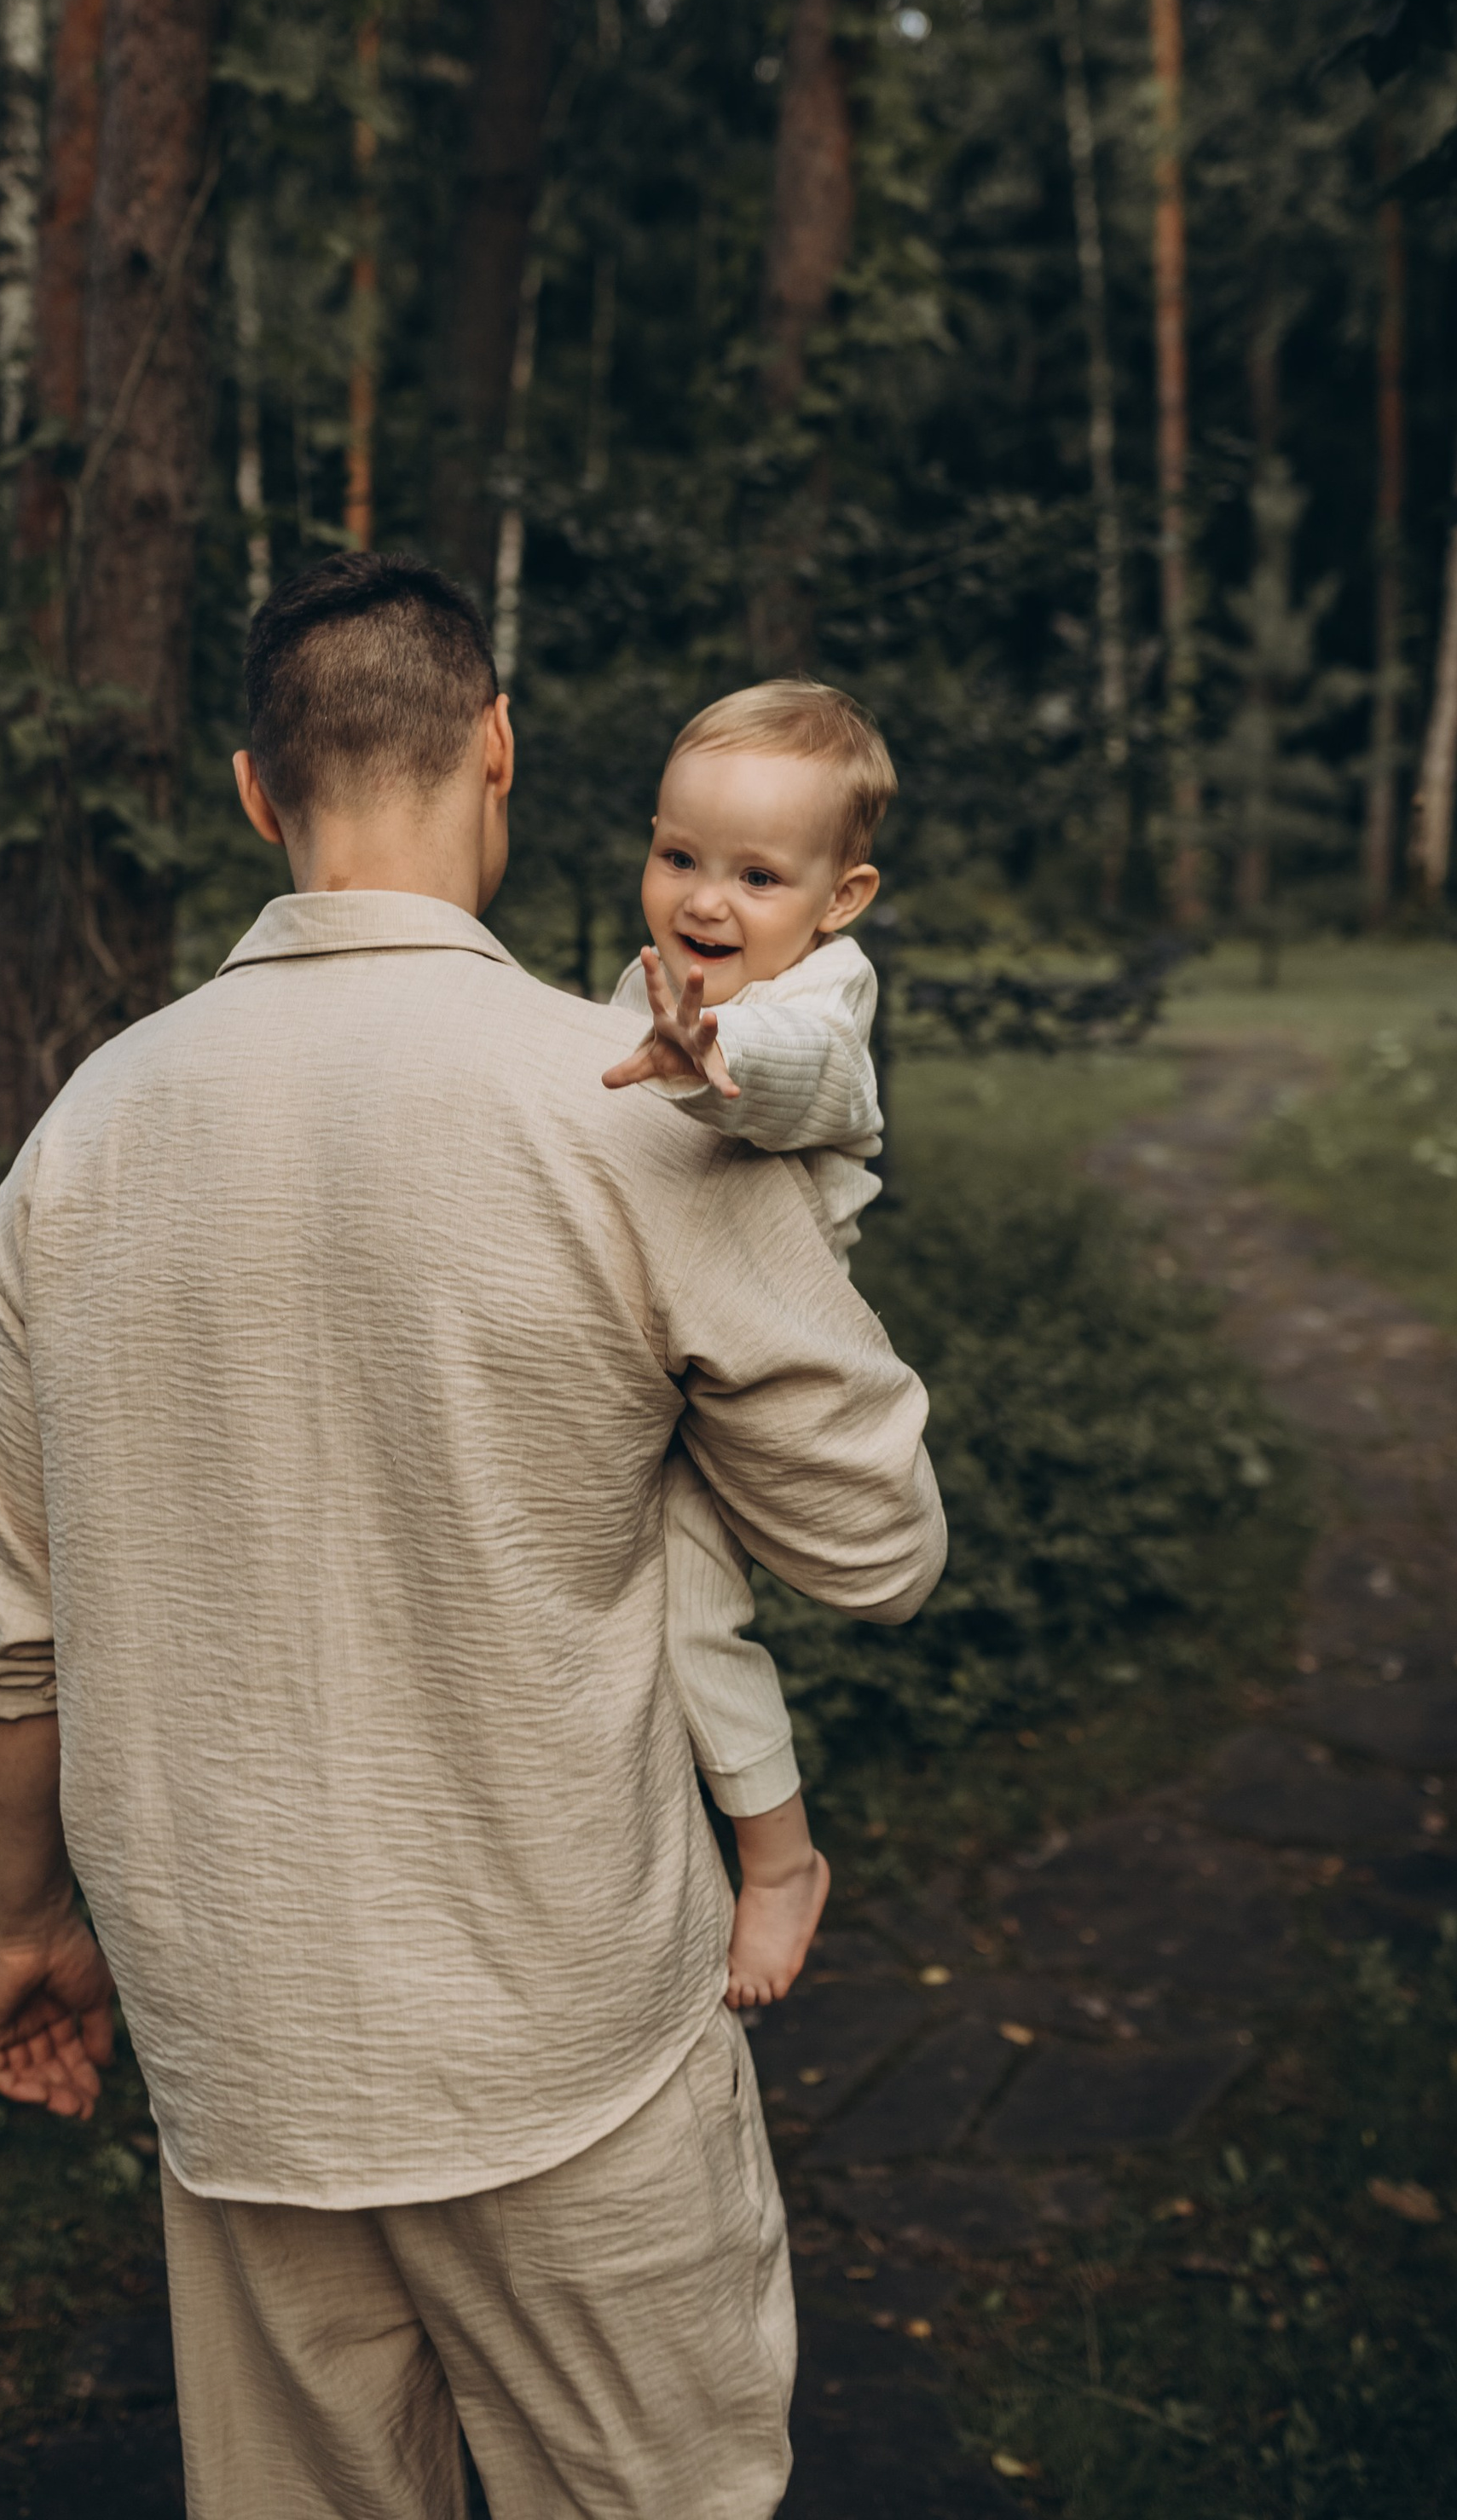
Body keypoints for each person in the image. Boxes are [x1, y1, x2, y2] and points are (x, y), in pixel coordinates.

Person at [0, 551, 945, 2520]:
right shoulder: (624, 1111)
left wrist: (29, 1923)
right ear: (497, 749)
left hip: (240, 2053)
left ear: (253, 795)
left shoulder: (83, 1136)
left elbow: (3, 1628)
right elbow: (873, 1549)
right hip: (567, 2043)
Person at [599, 680, 893, 2014]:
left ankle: (780, 1858)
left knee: (696, 1622)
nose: (704, 901)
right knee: (648, 1610)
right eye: (678, 857)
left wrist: (701, 1047)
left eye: (757, 876)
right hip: (659, 1354)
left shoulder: (819, 1001)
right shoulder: (652, 989)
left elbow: (787, 1073)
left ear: (841, 900)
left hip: (763, 1370)